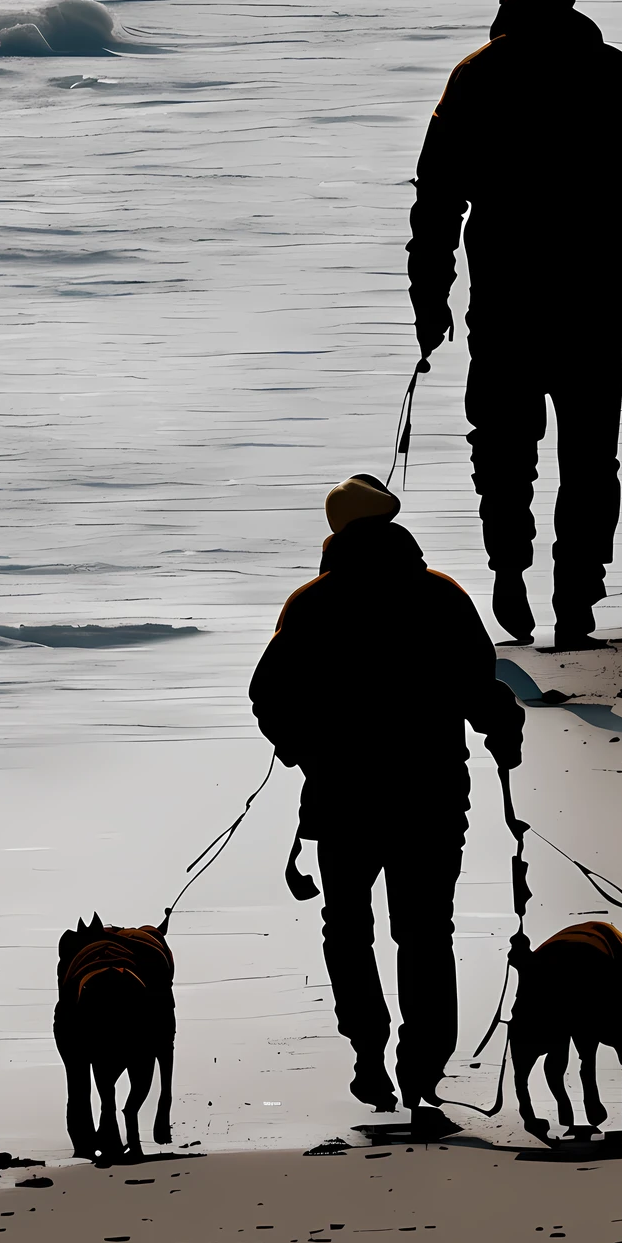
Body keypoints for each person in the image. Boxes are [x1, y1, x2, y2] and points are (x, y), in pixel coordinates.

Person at [406, 0, 622, 650]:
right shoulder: (615, 74)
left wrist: (429, 302)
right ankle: (577, 607)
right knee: (590, 465)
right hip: (595, 311)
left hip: (504, 309)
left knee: (501, 452)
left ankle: (508, 570)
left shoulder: (474, 77)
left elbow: (437, 203)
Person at [249, 473, 523, 1129]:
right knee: (426, 934)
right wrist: (504, 733)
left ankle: (367, 1049)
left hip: (343, 799)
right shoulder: (442, 596)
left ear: (337, 534)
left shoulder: (310, 605)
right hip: (431, 797)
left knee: (347, 932)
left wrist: (304, 752)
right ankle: (423, 1077)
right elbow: (482, 690)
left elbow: (268, 696)